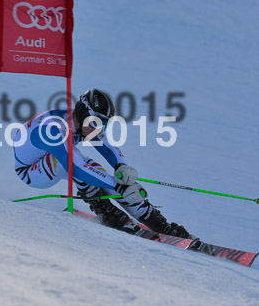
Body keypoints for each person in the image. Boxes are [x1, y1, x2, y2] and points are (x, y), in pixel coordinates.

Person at [12, 88, 192, 238]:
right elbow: (75, 167)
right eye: (97, 122)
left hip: (58, 161)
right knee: (81, 163)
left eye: (104, 123)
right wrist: (119, 187)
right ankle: (106, 212)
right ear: (83, 114)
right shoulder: (53, 128)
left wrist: (121, 167)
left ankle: (159, 223)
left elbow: (107, 147)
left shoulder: (84, 122)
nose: (100, 128)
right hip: (31, 171)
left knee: (98, 171)